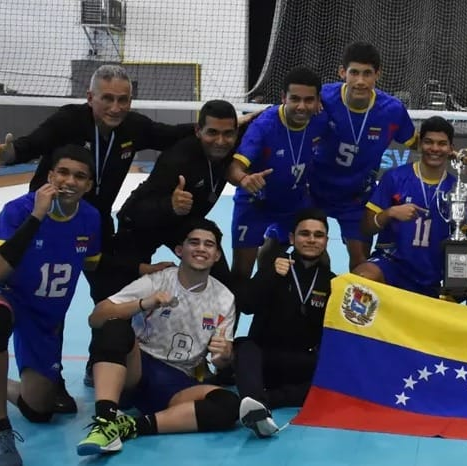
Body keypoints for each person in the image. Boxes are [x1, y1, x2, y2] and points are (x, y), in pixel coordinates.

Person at [0, 64, 197, 412]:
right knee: (48, 297)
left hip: (91, 222)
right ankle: (40, 378)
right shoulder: (70, 121)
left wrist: (221, 128)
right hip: (48, 221)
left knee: (110, 292)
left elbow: (170, 134)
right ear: (90, 98)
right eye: (107, 99)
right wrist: (7, 154)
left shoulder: (133, 127)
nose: (116, 107)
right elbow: (32, 143)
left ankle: (99, 363)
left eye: (123, 99)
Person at [0, 145, 101, 466]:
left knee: (39, 410)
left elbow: (94, 268)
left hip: (45, 315)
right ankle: (0, 431)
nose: (70, 181)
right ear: (50, 175)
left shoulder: (91, 219)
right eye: (63, 172)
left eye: (80, 176)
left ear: (90, 185)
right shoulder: (18, 210)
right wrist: (38, 215)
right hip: (2, 293)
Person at [75, 219, 241, 456]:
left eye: (209, 244)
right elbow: (97, 317)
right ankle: (105, 420)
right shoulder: (158, 280)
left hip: (179, 381)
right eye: (194, 242)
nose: (201, 248)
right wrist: (143, 303)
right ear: (179, 250)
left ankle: (130, 426)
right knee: (114, 327)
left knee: (228, 405)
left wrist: (225, 356)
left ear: (216, 255)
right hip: (137, 369)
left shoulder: (225, 299)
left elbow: (218, 361)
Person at [104, 99, 241, 300]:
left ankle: (222, 331)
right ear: (198, 131)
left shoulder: (233, 147)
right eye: (212, 132)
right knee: (120, 294)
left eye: (228, 133)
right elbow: (133, 213)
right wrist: (170, 205)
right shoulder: (178, 160)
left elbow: (270, 118)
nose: (221, 141)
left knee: (223, 283)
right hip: (143, 223)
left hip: (185, 222)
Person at [310, 42, 418, 271]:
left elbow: (419, 143)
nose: (360, 81)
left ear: (377, 74)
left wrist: (457, 155)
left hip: (355, 198)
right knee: (281, 247)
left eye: (367, 73)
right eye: (354, 73)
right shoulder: (322, 97)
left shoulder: (392, 110)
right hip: (313, 191)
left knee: (361, 264)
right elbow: (287, 112)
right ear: (342, 73)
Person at [234, 208, 335, 438]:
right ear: (292, 238)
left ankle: (260, 403)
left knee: (334, 375)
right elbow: (247, 304)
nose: (311, 240)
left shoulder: (332, 283)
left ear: (326, 241)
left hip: (300, 363)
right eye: (304, 233)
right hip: (265, 358)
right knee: (243, 347)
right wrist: (270, 274)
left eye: (318, 235)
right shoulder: (273, 269)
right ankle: (258, 405)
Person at [227, 66, 328, 289]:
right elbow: (234, 169)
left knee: (321, 262)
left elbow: (348, 90)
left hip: (294, 204)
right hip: (255, 203)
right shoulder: (263, 126)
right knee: (241, 275)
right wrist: (244, 180)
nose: (302, 106)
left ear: (318, 100)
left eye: (309, 100)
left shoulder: (322, 117)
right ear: (283, 98)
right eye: (295, 99)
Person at [353, 116, 457, 297]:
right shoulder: (394, 178)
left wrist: (458, 281)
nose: (434, 148)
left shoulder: (457, 189)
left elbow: (458, 244)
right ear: (419, 145)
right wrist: (390, 212)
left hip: (430, 276)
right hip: (392, 266)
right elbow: (366, 228)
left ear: (450, 149)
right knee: (362, 279)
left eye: (441, 144)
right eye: (428, 142)